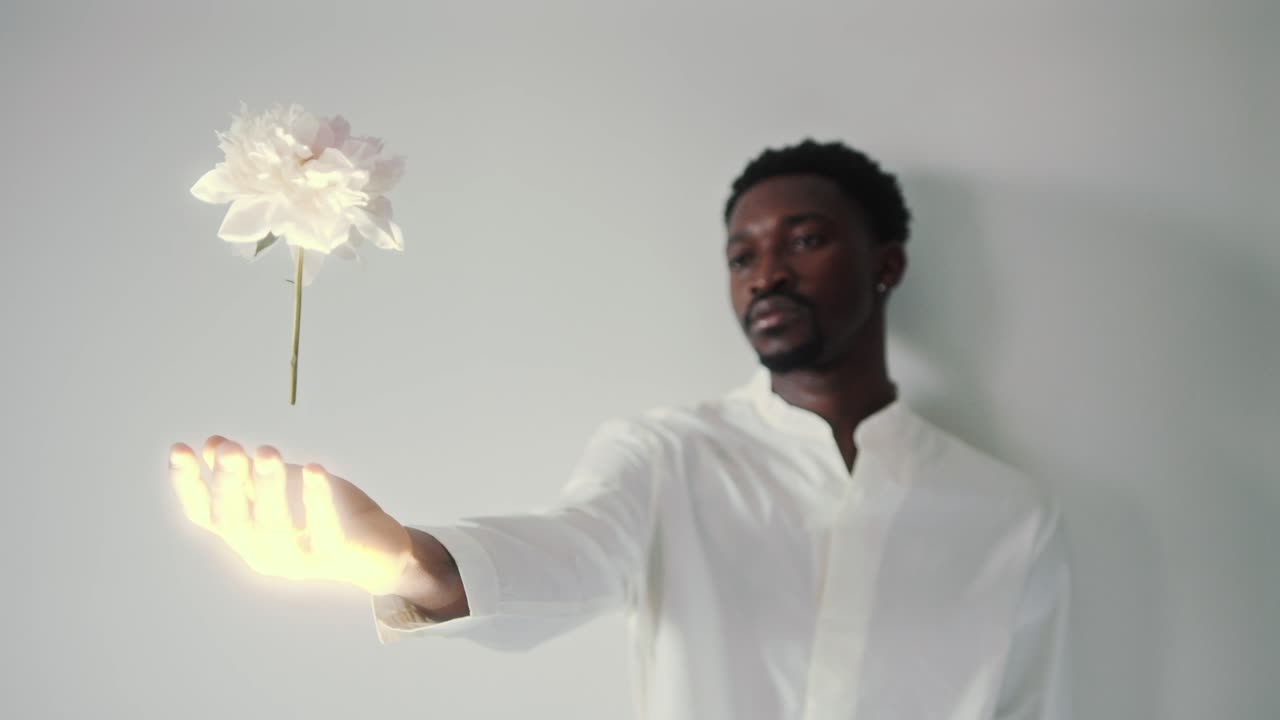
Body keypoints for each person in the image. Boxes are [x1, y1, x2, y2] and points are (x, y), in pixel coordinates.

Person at [169, 139, 1073, 719]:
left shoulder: (1007, 513)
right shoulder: (668, 456)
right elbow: (571, 551)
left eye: (803, 241)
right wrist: (410, 559)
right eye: (741, 255)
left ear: (887, 264)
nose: (765, 275)